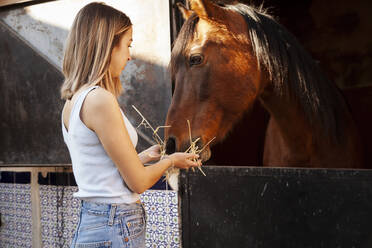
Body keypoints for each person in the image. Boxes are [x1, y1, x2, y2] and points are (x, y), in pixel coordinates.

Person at [60, 2, 201, 248]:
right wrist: (171, 161)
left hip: (97, 220)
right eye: (128, 44)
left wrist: (145, 157)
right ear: (106, 46)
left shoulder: (74, 101)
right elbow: (138, 183)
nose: (129, 55)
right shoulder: (100, 100)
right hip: (115, 224)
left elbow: (102, 170)